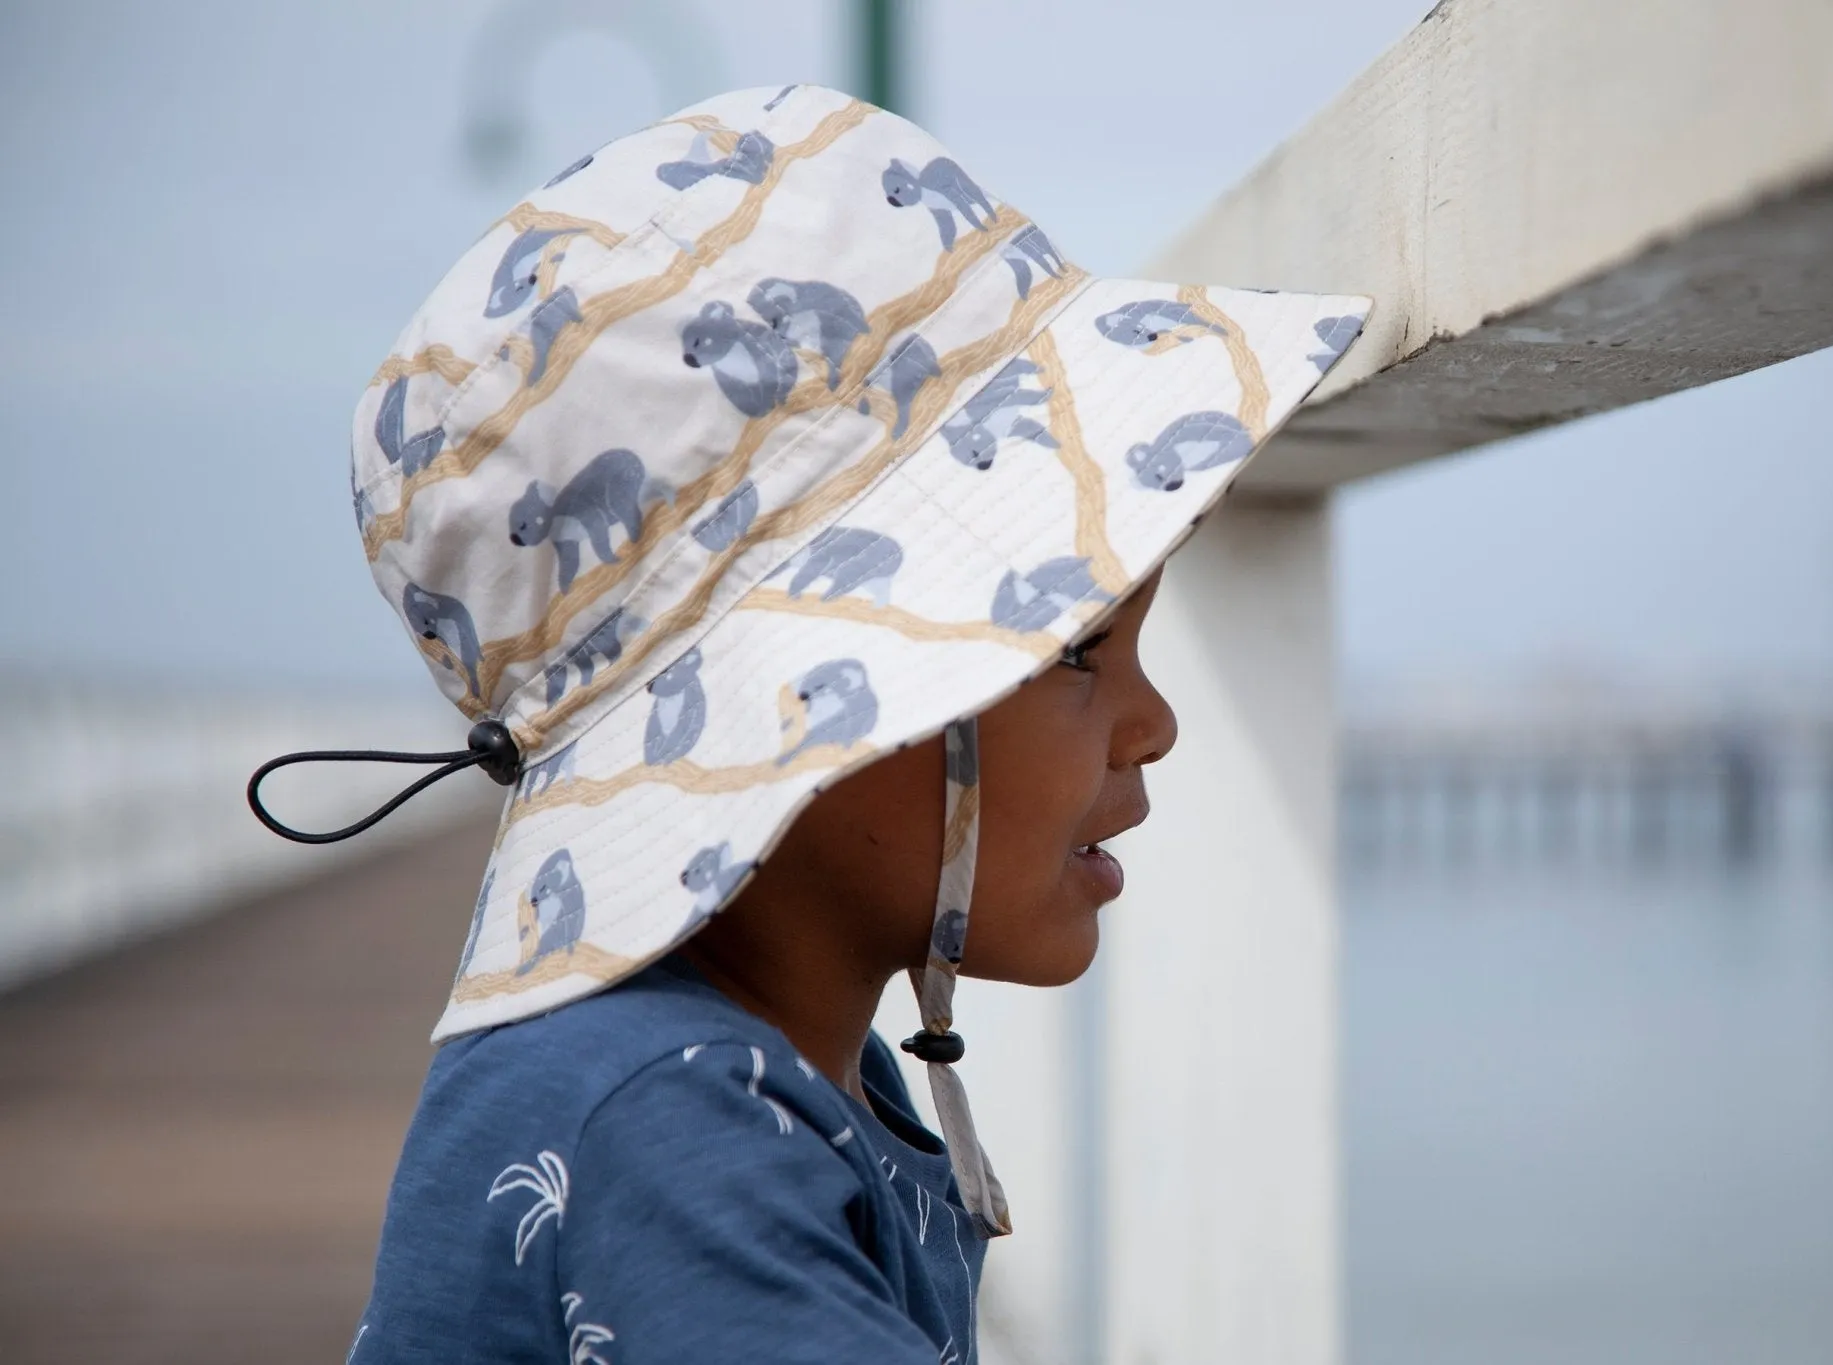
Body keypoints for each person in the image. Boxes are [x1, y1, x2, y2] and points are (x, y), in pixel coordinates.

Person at [252, 84, 1368, 1363]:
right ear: (802, 708)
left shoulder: (777, 1069)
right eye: (1076, 649)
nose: (1154, 722)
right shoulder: (664, 1133)